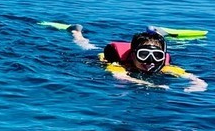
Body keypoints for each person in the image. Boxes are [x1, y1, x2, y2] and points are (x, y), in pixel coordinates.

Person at [70, 26, 207, 92]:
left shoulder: (165, 67)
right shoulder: (119, 66)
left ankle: (156, 32)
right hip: (104, 57)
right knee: (86, 46)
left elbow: (192, 77)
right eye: (143, 55)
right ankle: (76, 31)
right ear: (133, 54)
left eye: (157, 56)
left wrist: (199, 84)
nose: (150, 61)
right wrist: (152, 85)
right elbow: (121, 77)